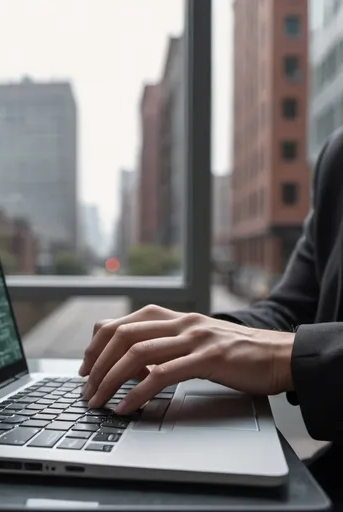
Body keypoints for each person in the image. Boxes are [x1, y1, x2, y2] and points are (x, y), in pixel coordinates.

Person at [80, 128, 343, 506]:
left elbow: (288, 339)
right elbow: (291, 306)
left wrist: (289, 356)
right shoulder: (338, 153)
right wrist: (197, 338)